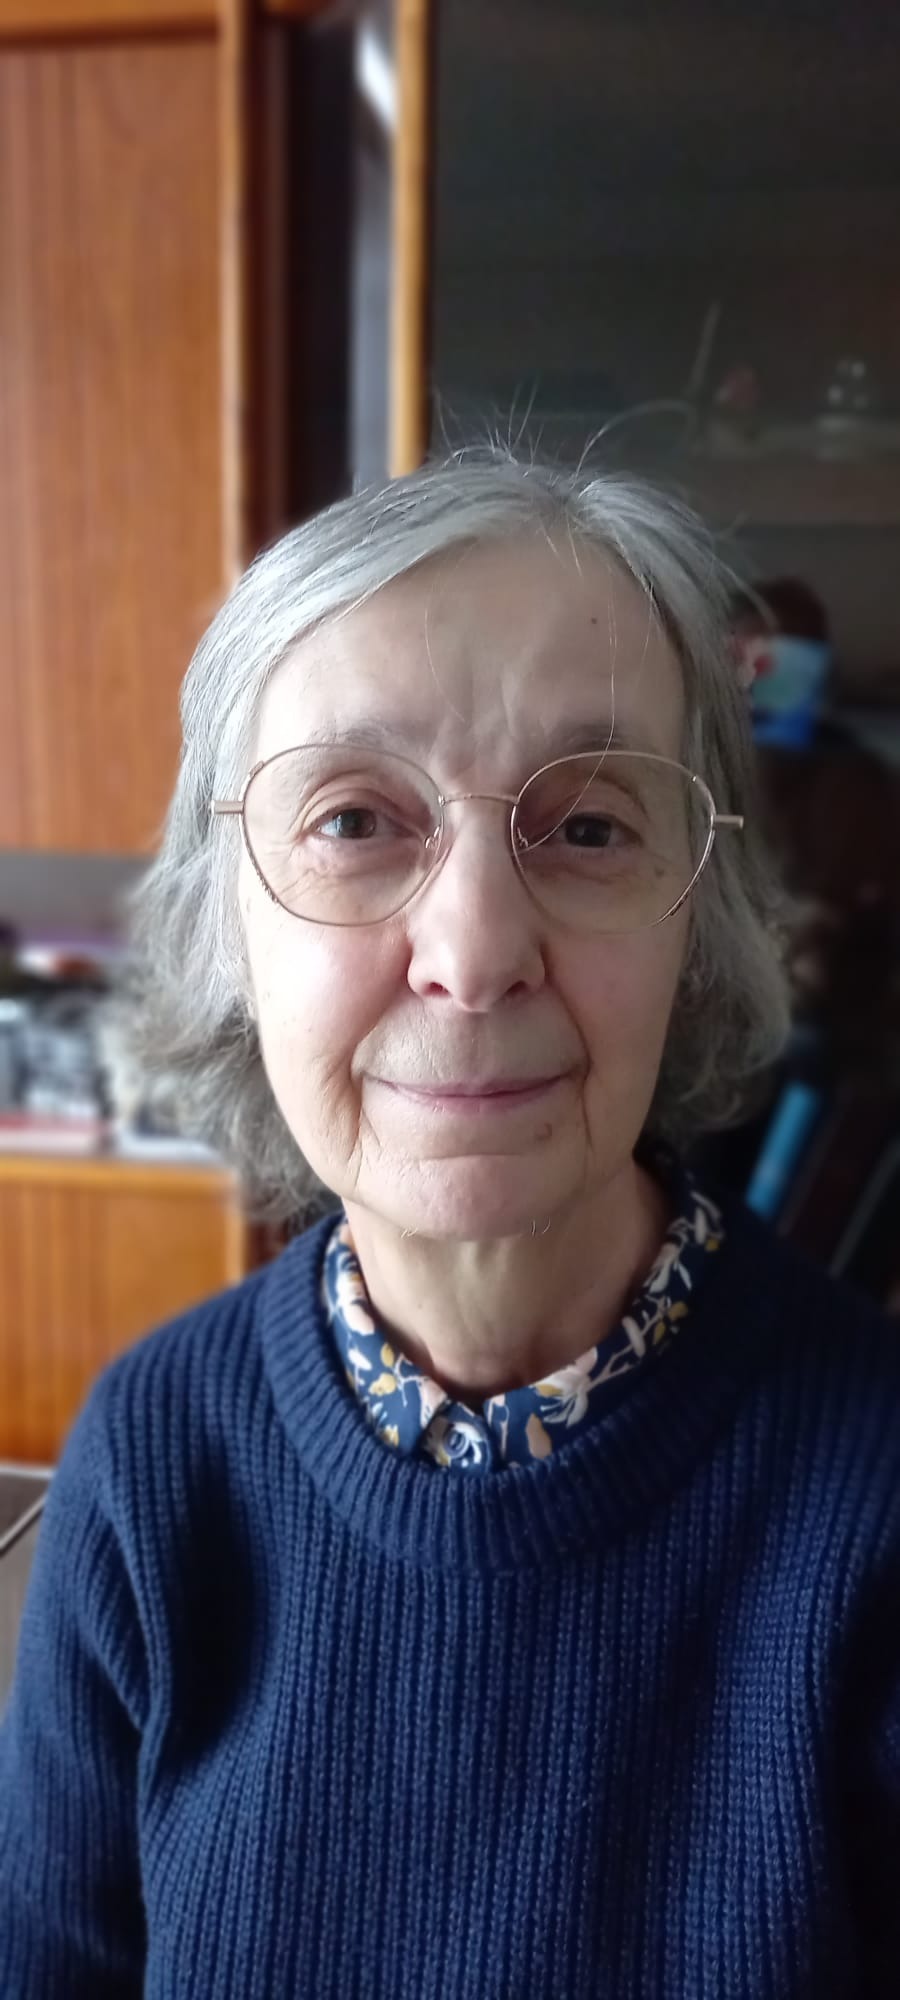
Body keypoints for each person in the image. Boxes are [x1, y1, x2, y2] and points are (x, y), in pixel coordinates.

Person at [1, 452, 897, 1998]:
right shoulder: (152, 1458)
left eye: (592, 826)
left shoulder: (875, 1490)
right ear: (230, 925)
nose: (474, 952)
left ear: (701, 919)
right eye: (355, 818)